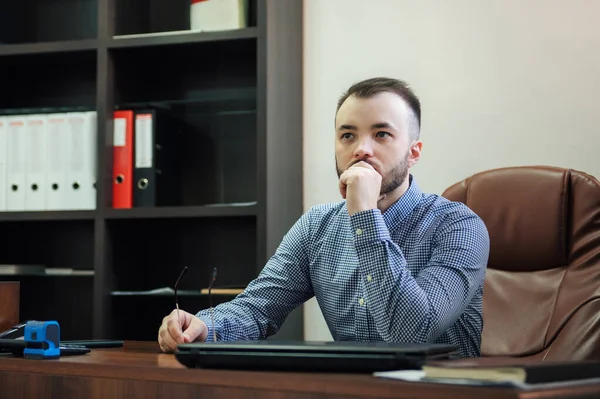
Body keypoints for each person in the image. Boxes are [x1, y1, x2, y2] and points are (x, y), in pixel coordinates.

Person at [158, 77, 490, 357]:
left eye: (382, 135)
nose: (362, 149)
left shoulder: (459, 226)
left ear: (413, 152)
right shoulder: (317, 226)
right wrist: (204, 327)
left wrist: (365, 215)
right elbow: (257, 308)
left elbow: (412, 333)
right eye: (348, 135)